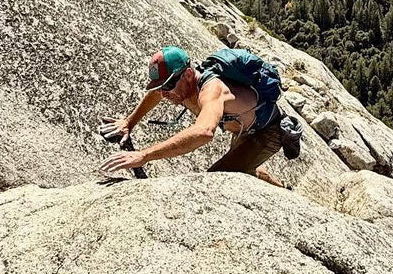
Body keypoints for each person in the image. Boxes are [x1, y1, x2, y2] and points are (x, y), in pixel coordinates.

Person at [99, 46, 295, 186]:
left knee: (217, 178)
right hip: (243, 130)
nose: (164, 93)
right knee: (240, 164)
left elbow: (204, 132)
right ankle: (275, 182)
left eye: (168, 85)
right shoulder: (179, 86)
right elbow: (155, 94)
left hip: (267, 131)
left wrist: (144, 155)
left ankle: (282, 192)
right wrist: (128, 122)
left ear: (188, 74)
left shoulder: (212, 90)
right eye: (161, 87)